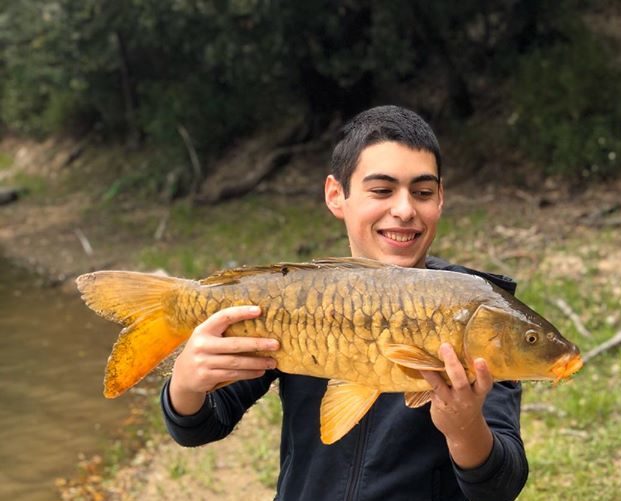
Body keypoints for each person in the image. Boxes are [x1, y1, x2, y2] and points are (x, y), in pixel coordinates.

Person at [161, 105, 529, 500]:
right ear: (337, 195)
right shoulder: (299, 299)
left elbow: (501, 485)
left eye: (422, 192)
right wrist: (185, 384)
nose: (404, 210)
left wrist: (464, 427)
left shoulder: (478, 313)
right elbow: (200, 426)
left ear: (439, 199)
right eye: (382, 190)